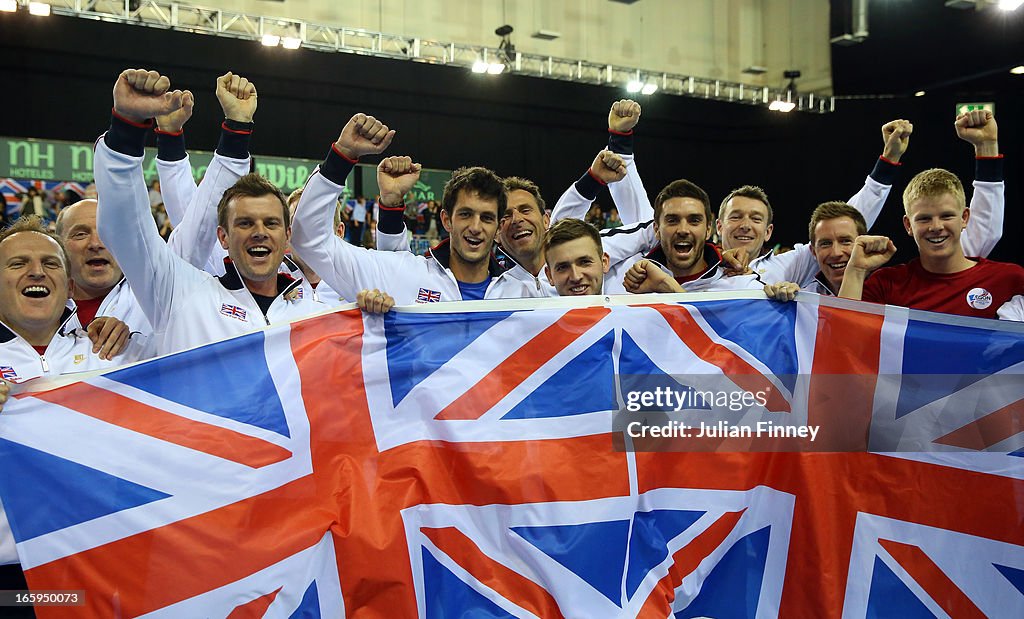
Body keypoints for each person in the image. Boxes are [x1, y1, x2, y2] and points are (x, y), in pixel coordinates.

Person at [94, 68, 330, 356]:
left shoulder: (319, 314)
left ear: (287, 234)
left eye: (271, 223)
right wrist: (127, 128)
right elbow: (129, 229)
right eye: (244, 223)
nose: (259, 232)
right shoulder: (181, 296)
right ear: (223, 237)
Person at [291, 118, 542, 303]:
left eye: (486, 218)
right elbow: (310, 240)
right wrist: (343, 155)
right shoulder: (403, 274)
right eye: (465, 214)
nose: (476, 227)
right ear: (446, 219)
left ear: (498, 228)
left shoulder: (523, 294)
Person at [838, 168, 1024, 319]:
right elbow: (843, 341)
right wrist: (855, 270)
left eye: (946, 216)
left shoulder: (1010, 279)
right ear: (908, 225)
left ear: (965, 218)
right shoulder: (887, 284)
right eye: (924, 219)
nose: (936, 227)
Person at [543, 218, 610, 296]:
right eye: (563, 267)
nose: (576, 277)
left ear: (604, 263)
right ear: (549, 276)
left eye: (584, 262)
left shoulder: (625, 306)